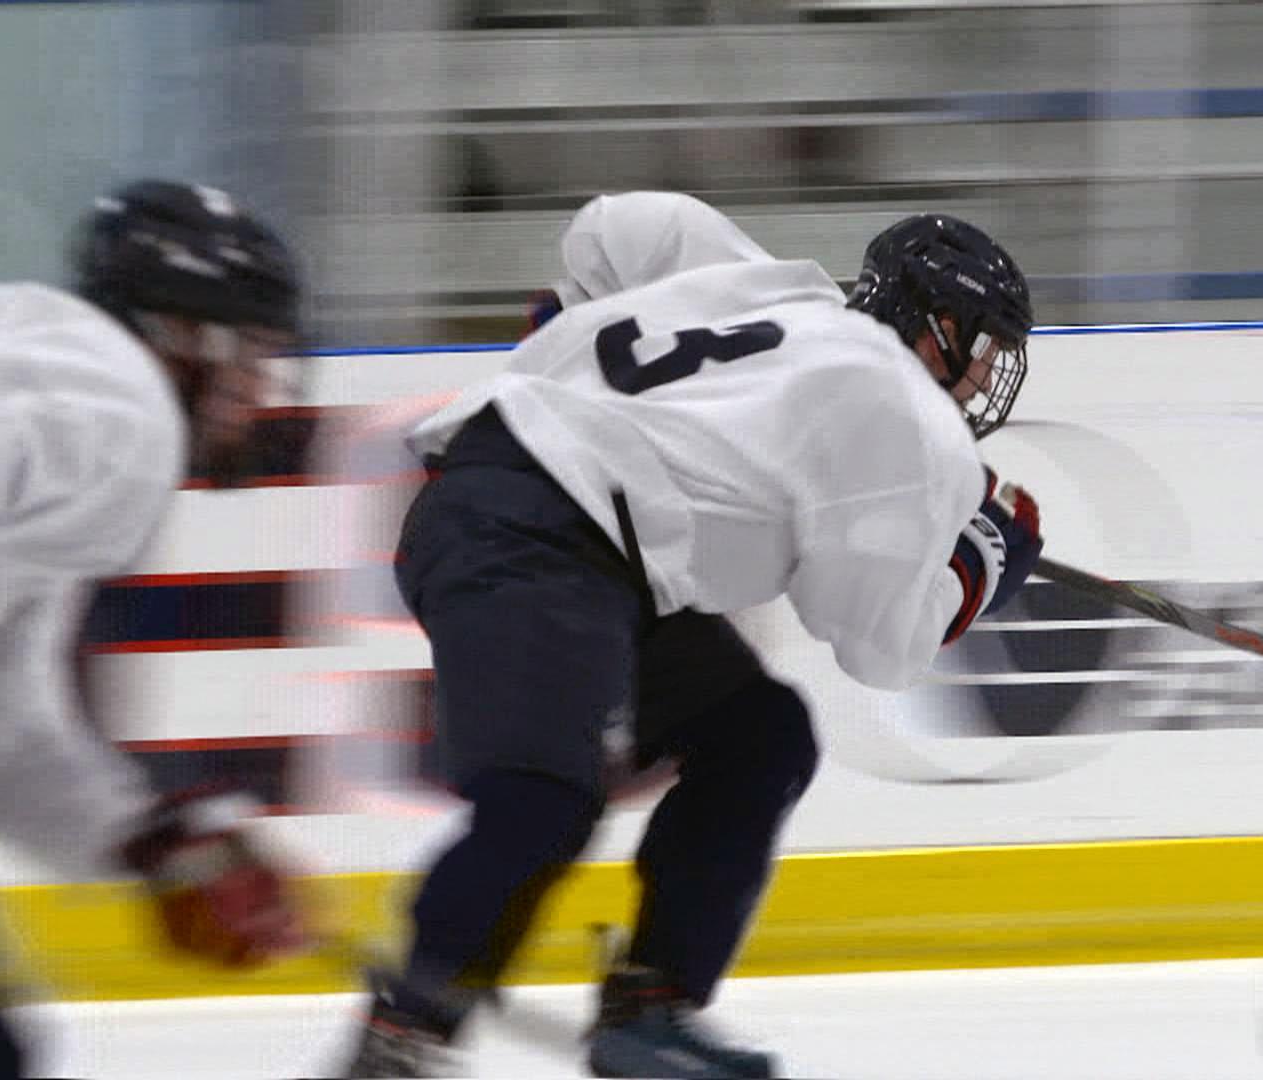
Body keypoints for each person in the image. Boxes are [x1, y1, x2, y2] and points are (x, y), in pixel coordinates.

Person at [341, 192, 1043, 1079]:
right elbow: (880, 646)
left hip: (549, 526)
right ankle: (400, 1037)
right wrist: (978, 558)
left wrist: (575, 322)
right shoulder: (908, 414)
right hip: (538, 536)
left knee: (757, 734)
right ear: (932, 323)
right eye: (977, 348)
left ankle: (652, 1005)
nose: (981, 380)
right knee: (543, 797)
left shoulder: (765, 286)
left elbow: (612, 226)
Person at [0, 179, 308, 1079]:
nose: (258, 395)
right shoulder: (125, 408)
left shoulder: (48, 377)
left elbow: (0, 713)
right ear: (194, 341)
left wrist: (142, 837)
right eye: (255, 360)